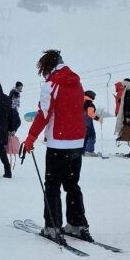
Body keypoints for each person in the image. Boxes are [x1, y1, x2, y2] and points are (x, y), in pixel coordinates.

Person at [22, 50, 91, 240]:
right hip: (76, 143)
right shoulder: (77, 83)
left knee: (52, 186)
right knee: (72, 185)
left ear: (48, 67)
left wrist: (30, 138)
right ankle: (77, 224)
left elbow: (44, 114)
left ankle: (52, 227)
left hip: (58, 144)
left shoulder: (51, 85)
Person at [83, 90, 98, 156]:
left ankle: (83, 150)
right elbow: (90, 113)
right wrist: (98, 118)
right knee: (92, 136)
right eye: (94, 96)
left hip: (82, 123)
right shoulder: (89, 103)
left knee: (85, 137)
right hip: (88, 123)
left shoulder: (82, 101)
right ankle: (89, 151)